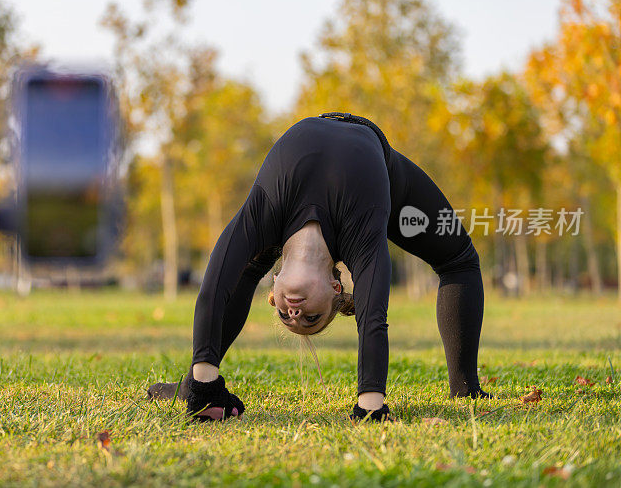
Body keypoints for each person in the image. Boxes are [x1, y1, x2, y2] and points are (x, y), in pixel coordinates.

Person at [147, 113, 491, 422]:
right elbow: (372, 315)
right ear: (335, 288)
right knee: (459, 259)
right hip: (382, 166)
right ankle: (466, 388)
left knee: (249, 264)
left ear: (275, 285)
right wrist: (371, 402)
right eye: (311, 318)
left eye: (285, 316)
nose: (294, 314)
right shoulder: (360, 235)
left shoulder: (269, 217)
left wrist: (204, 385)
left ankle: (195, 382)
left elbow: (215, 285)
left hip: (310, 183)